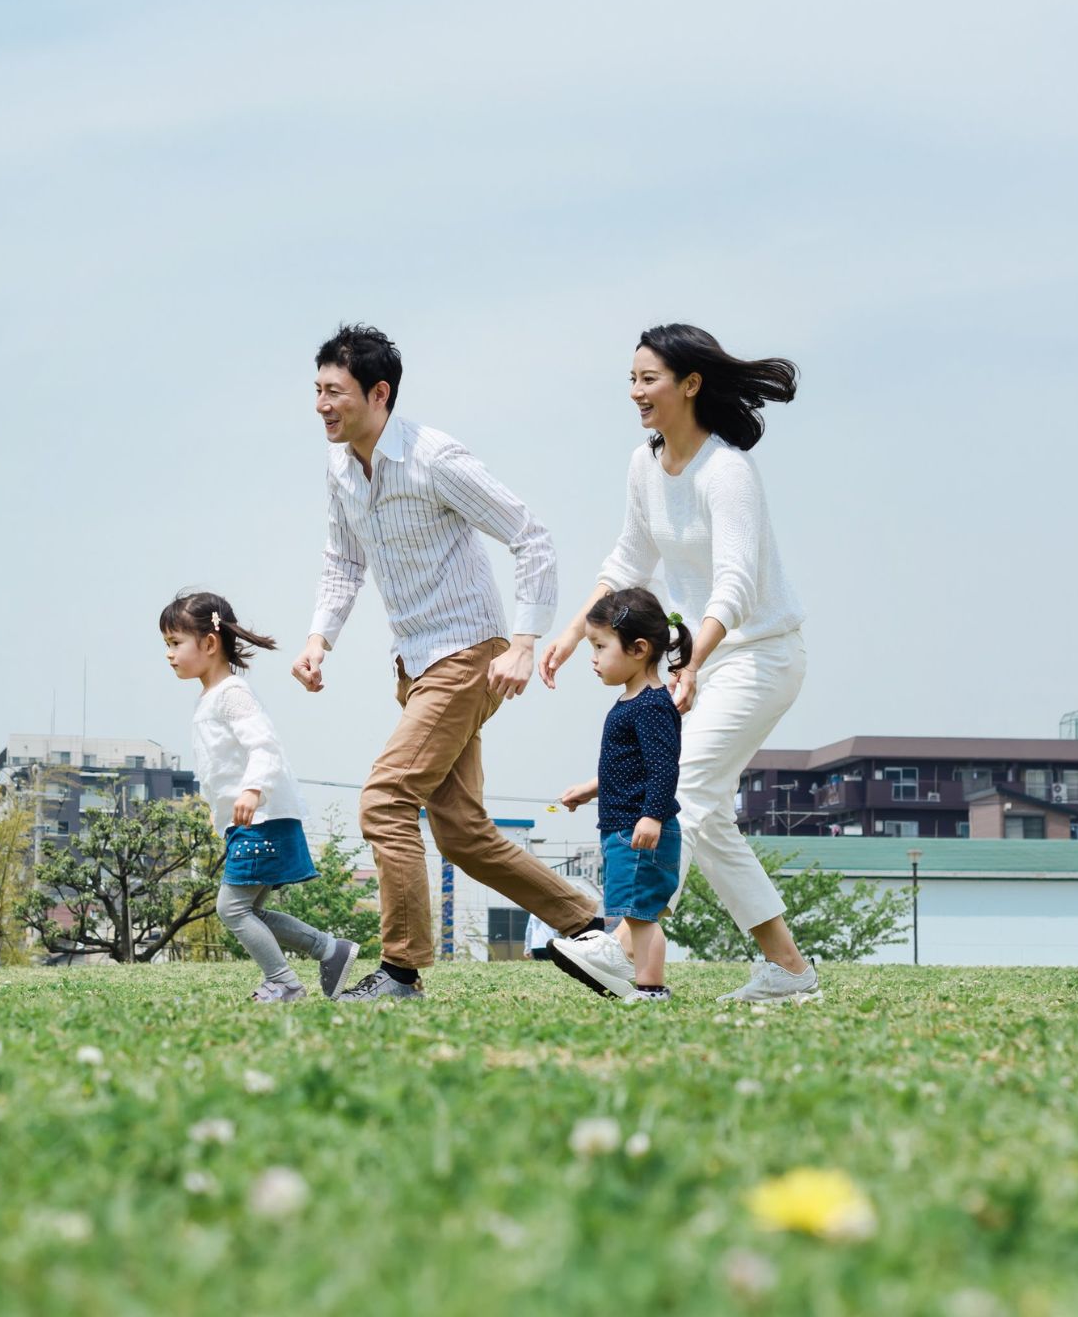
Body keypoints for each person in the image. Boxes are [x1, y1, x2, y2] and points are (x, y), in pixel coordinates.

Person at [293, 324, 604, 1000]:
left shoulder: (433, 458)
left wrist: (524, 640)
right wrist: (321, 637)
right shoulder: (342, 465)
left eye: (334, 392)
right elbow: (342, 558)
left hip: (469, 653)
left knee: (384, 799)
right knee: (461, 833)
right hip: (416, 664)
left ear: (379, 394)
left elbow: (530, 536)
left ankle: (401, 972)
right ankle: (588, 926)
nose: (321, 405)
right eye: (316, 390)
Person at [541, 323, 820, 1004]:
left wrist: (691, 661)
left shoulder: (726, 472)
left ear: (690, 384)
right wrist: (576, 632)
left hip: (758, 656)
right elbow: (627, 561)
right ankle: (788, 969)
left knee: (681, 796)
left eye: (649, 379)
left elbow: (737, 585)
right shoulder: (646, 464)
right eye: (631, 380)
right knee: (708, 817)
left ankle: (619, 947)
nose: (636, 393)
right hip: (698, 661)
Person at [161, 590, 362, 1002]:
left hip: (263, 817)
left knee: (232, 909)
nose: (169, 654)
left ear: (210, 643)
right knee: (250, 910)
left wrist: (253, 790)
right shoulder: (211, 697)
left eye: (175, 643)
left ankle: (285, 982)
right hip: (250, 822)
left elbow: (265, 746)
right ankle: (329, 949)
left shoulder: (232, 694)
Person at [549, 588, 691, 1002]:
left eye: (599, 646)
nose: (591, 657)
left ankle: (650, 987)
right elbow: (633, 766)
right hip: (623, 827)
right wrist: (591, 788)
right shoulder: (630, 702)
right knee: (637, 912)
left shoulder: (650, 705)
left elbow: (665, 768)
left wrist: (651, 816)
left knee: (639, 916)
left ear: (638, 648)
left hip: (639, 829)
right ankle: (635, 974)